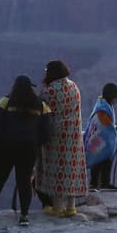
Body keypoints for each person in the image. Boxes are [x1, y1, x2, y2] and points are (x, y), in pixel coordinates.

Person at [0, 75, 51, 225]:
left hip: (5, 148)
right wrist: (36, 144)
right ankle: (24, 216)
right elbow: (46, 132)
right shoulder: (41, 106)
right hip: (28, 150)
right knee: (24, 182)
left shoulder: (5, 102)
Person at [38, 60, 85, 218]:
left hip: (56, 136)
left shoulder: (50, 91)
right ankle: (71, 207)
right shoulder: (74, 86)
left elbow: (41, 108)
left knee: (57, 169)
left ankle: (58, 208)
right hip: (74, 135)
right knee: (71, 168)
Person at [83, 82, 117, 191]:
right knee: (102, 160)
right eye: (116, 98)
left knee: (99, 160)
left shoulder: (102, 105)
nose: (116, 101)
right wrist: (113, 130)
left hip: (96, 139)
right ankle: (101, 183)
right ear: (111, 97)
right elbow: (105, 127)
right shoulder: (103, 111)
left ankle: (96, 183)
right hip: (100, 140)